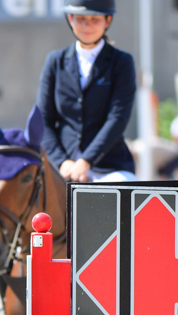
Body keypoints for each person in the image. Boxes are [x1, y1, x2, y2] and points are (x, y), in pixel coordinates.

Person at [37, 0, 137, 183]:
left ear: (108, 21)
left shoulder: (121, 62)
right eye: (80, 19)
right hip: (62, 165)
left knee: (123, 187)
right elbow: (43, 120)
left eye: (94, 19)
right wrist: (62, 162)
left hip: (108, 166)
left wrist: (86, 161)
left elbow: (118, 119)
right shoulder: (55, 62)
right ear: (70, 19)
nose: (86, 25)